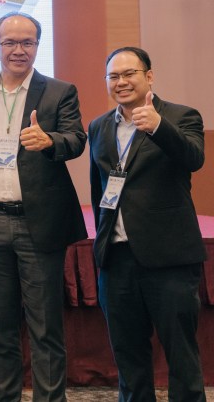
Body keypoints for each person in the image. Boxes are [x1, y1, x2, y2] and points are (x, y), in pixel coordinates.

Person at [0, 13, 86, 402]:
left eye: (28, 42)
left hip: (38, 224)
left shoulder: (59, 91)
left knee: (45, 329)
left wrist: (50, 141)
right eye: (10, 42)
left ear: (37, 46)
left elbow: (76, 139)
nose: (19, 50)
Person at [89, 47, 206, 401]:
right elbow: (100, 190)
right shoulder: (99, 126)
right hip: (117, 259)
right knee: (128, 356)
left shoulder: (181, 116)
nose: (121, 82)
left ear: (149, 76)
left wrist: (158, 126)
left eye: (130, 74)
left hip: (168, 259)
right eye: (113, 76)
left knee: (181, 354)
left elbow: (193, 158)